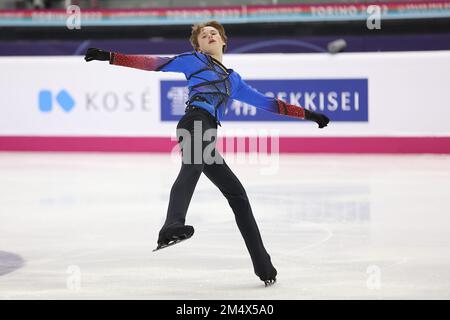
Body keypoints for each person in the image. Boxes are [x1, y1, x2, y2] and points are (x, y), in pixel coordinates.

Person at [84, 20, 329, 286]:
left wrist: (309, 115)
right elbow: (152, 62)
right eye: (203, 35)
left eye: (214, 33)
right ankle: (171, 225)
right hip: (195, 122)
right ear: (198, 45)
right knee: (192, 166)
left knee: (238, 195)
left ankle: (264, 265)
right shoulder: (193, 61)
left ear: (224, 41)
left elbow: (269, 104)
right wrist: (110, 57)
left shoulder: (233, 80)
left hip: (207, 133)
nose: (209, 35)